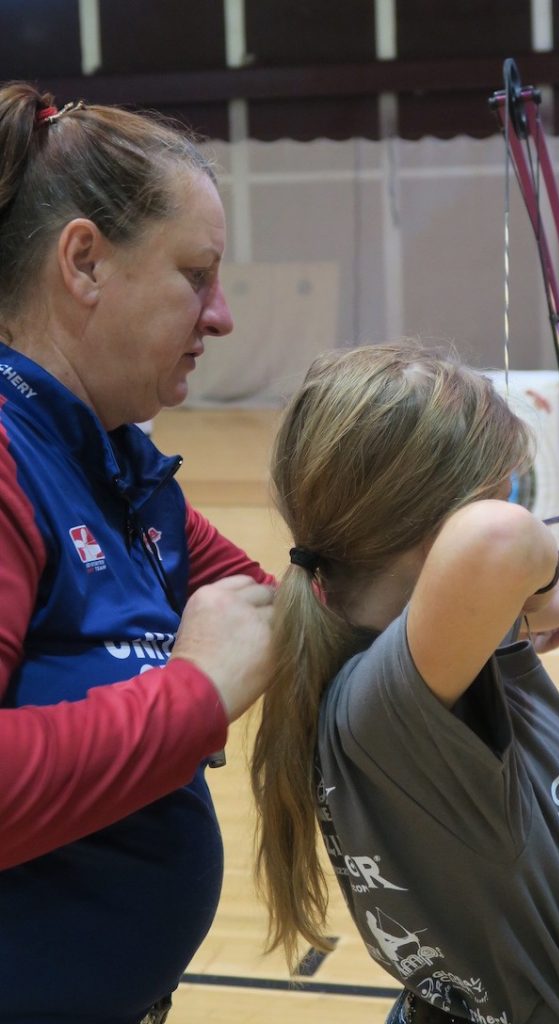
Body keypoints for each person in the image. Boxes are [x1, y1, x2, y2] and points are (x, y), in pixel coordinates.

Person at [252, 342, 559, 1024]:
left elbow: (487, 558)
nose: (516, 503)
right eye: (504, 484)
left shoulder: (432, 664)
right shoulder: (384, 707)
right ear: (442, 522)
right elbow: (497, 541)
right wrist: (555, 598)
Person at [0, 83, 276, 1023]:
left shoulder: (114, 457)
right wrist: (195, 698)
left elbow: (277, 607)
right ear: (84, 261)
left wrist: (484, 600)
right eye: (196, 275)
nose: (222, 314)